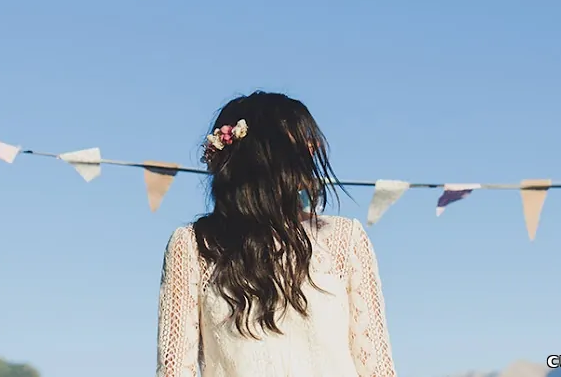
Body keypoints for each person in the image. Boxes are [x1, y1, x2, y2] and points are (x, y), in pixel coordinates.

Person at [156, 91, 397, 377]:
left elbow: (377, 369)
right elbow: (174, 372)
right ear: (264, 156)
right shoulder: (194, 245)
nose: (313, 149)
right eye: (300, 144)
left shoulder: (346, 239)